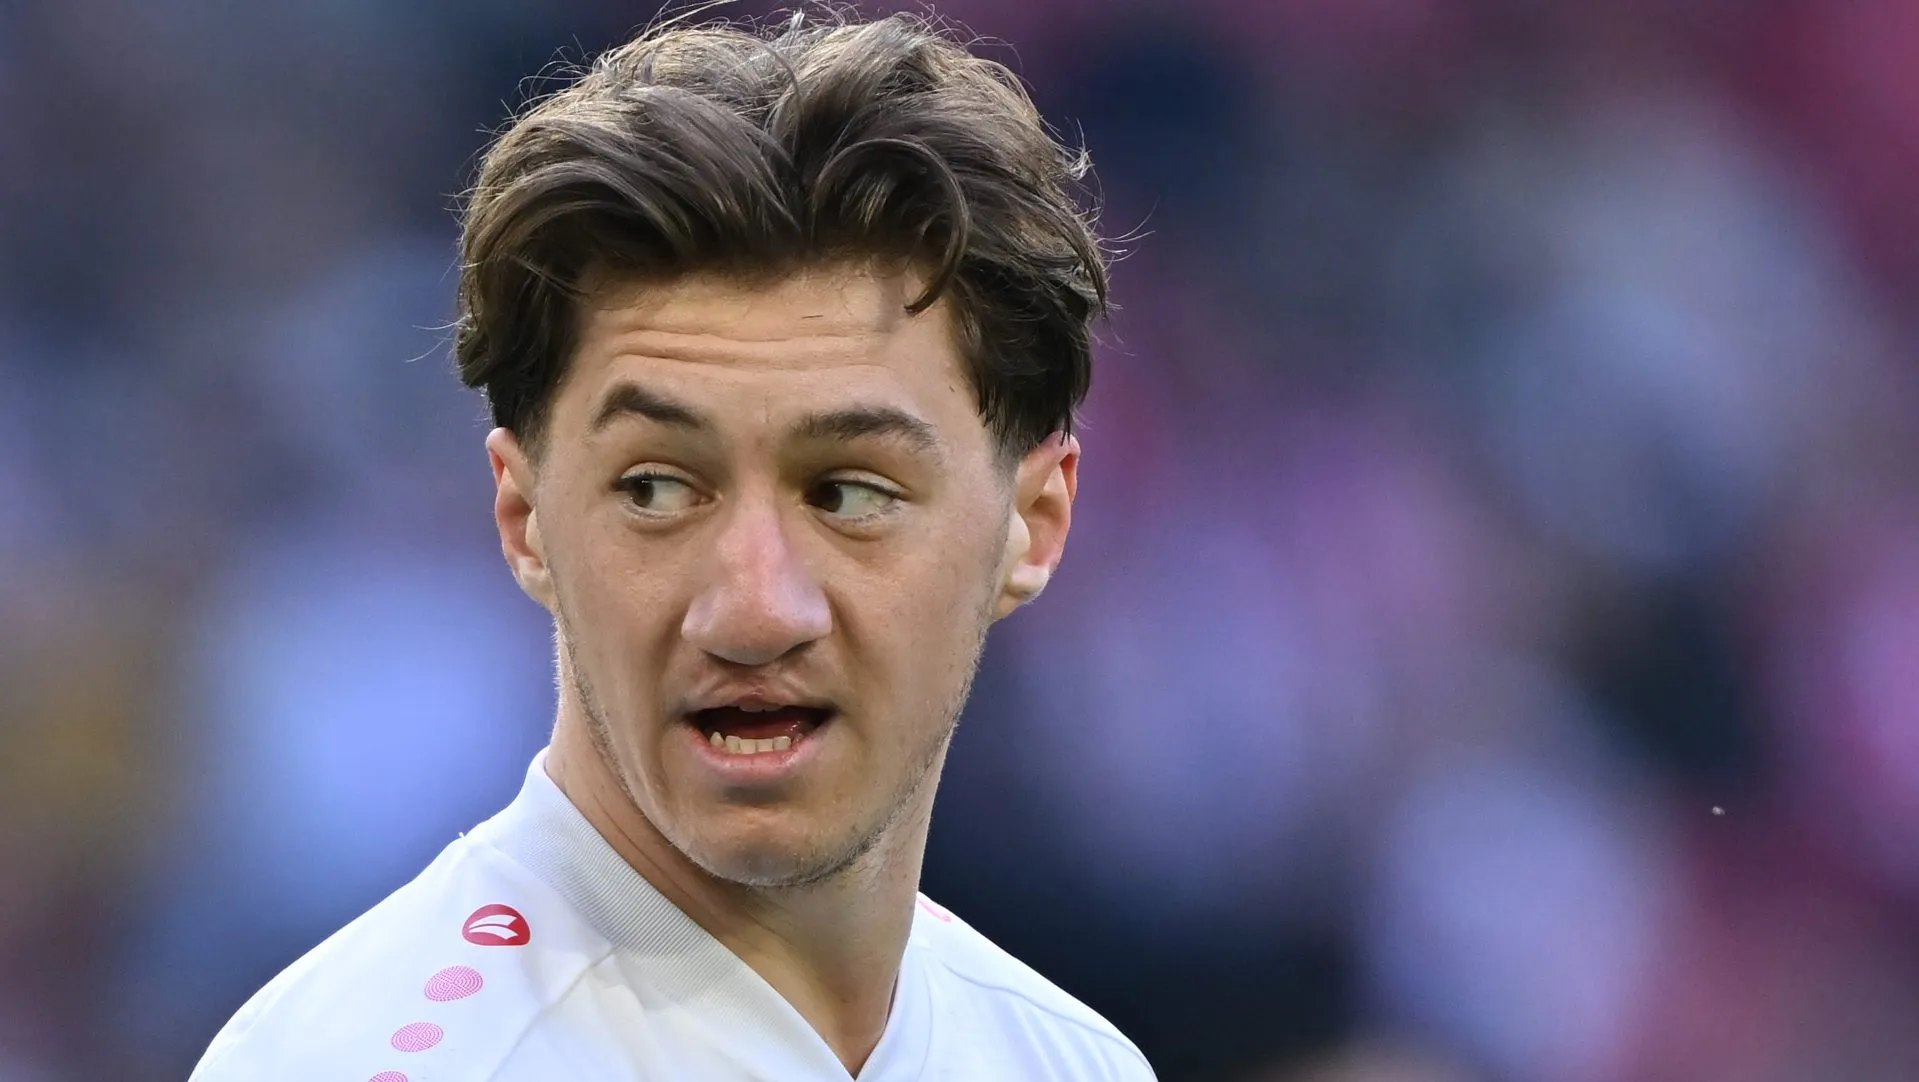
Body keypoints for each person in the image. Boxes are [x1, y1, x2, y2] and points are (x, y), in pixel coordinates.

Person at [189, 10, 1154, 1081]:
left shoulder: (1069, 1061)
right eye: (654, 487)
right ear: (524, 519)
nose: (753, 607)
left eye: (847, 491)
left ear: (1033, 523)